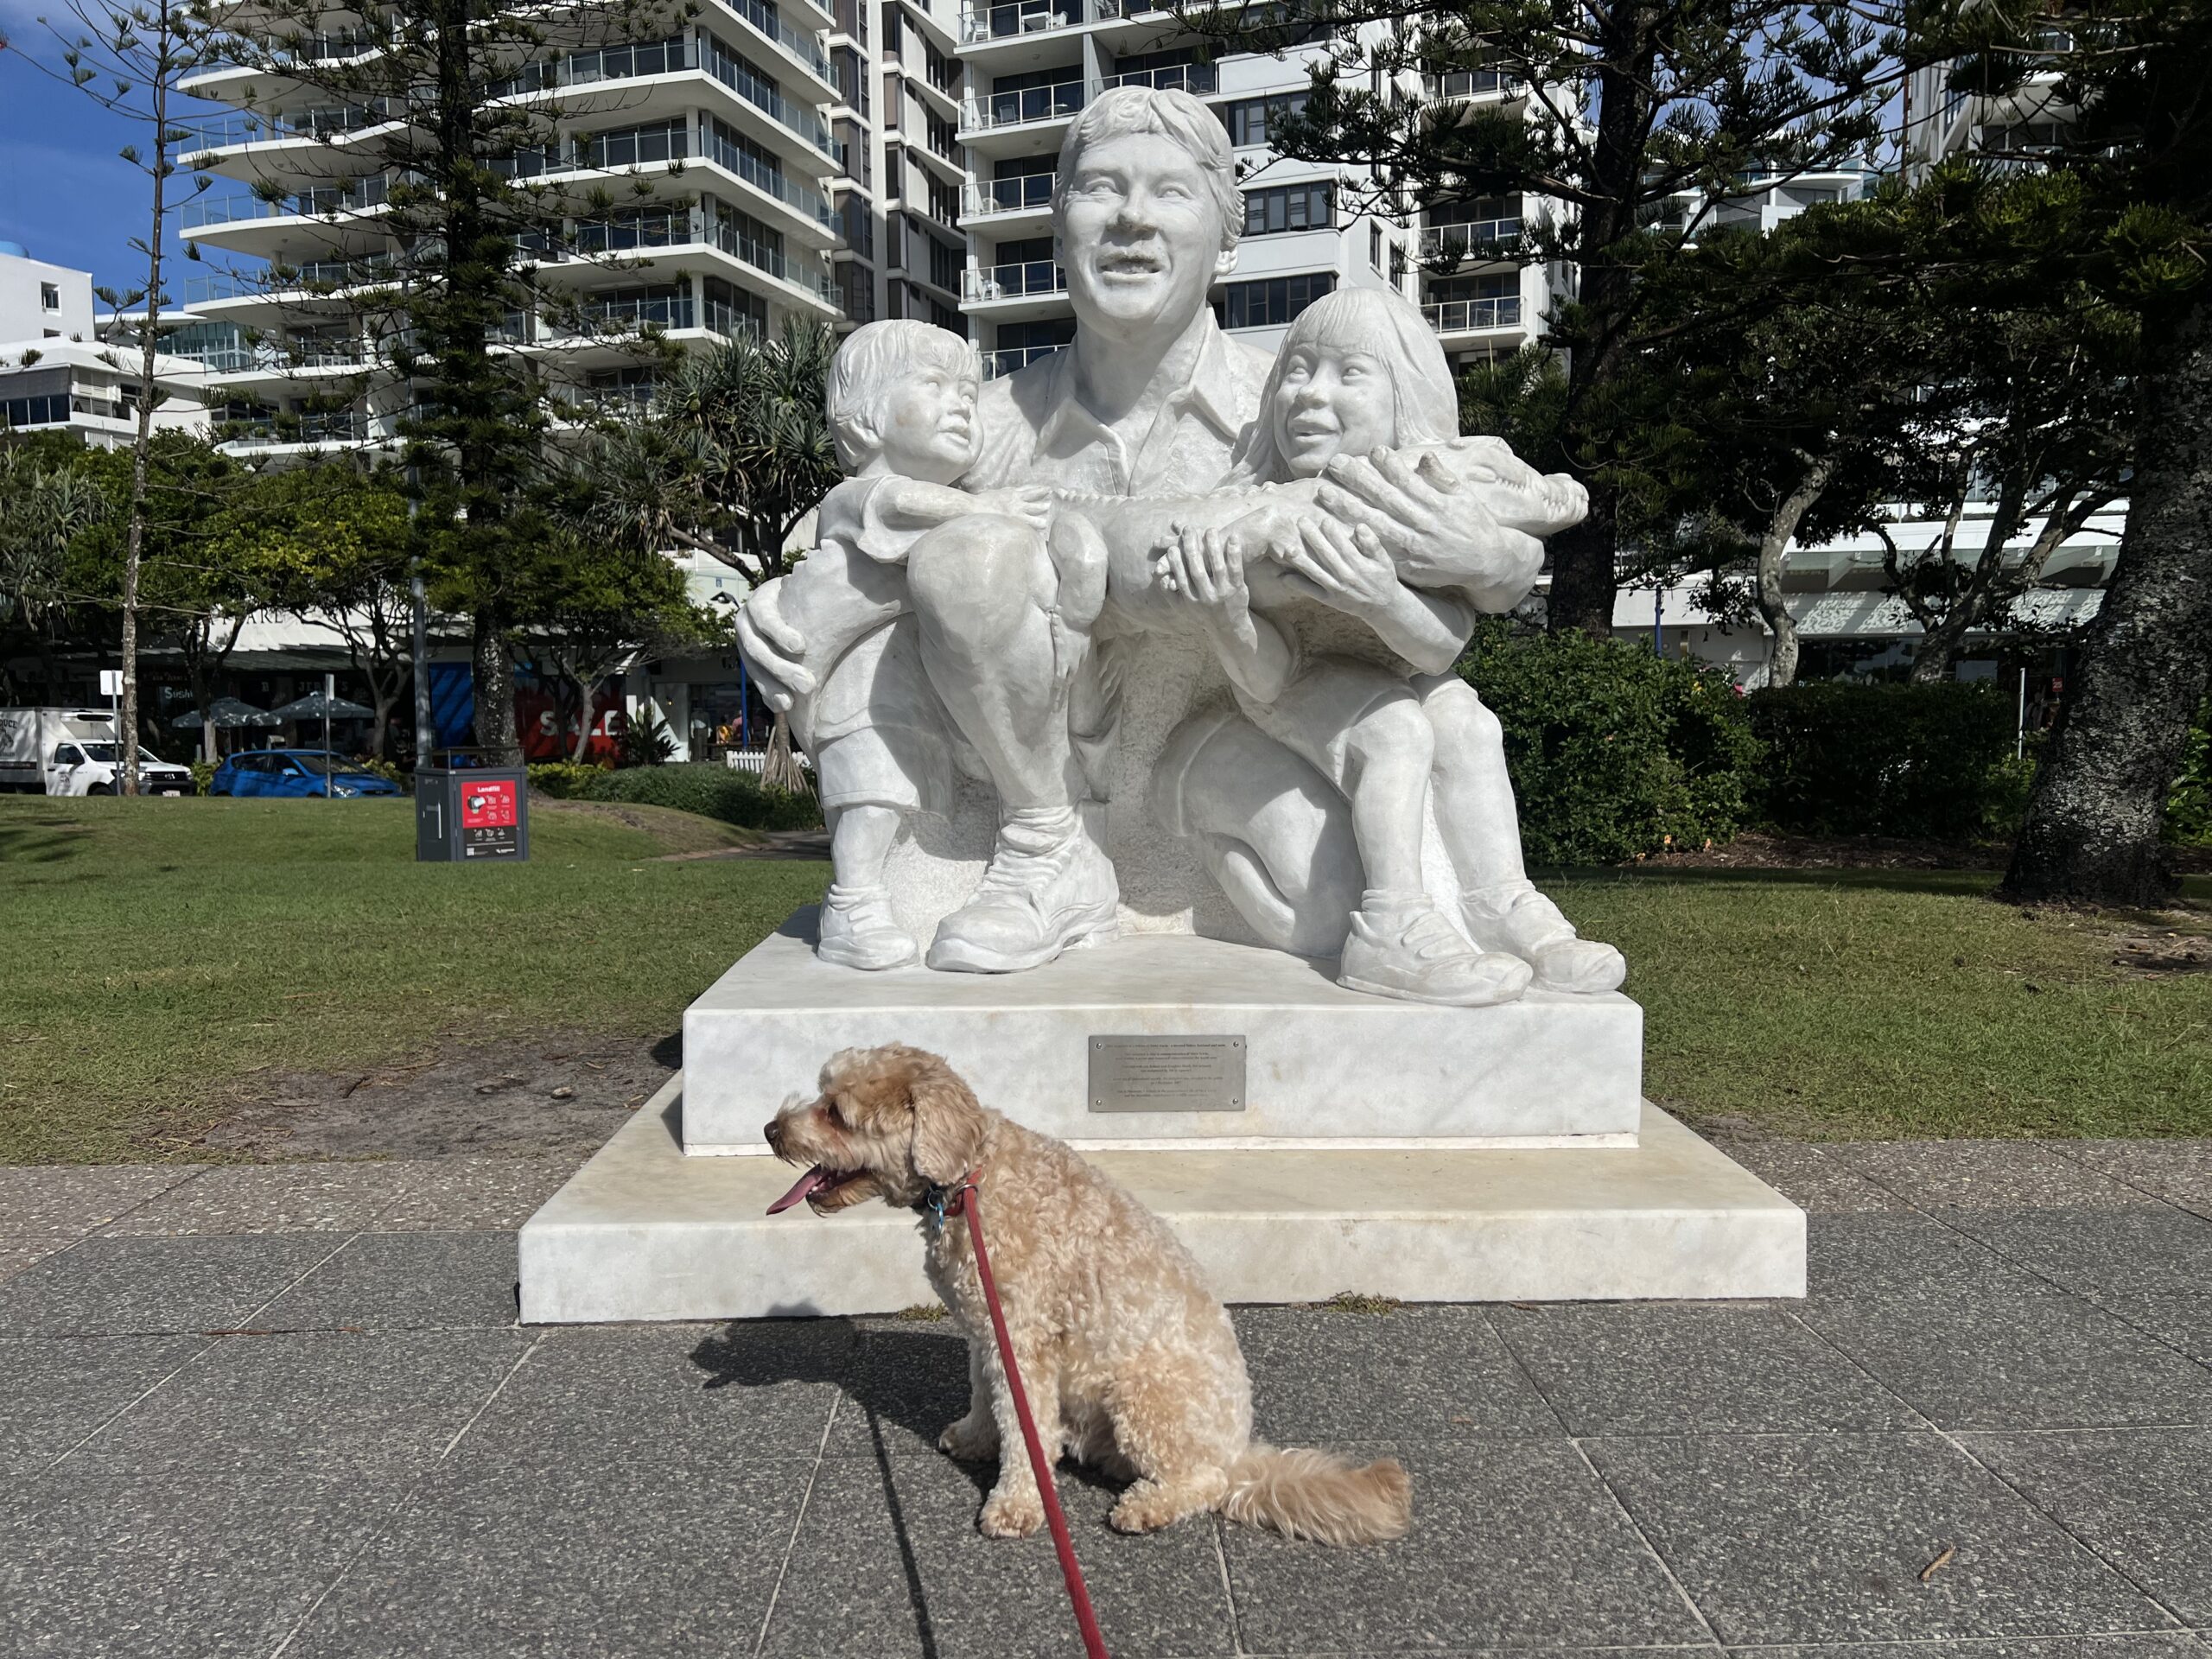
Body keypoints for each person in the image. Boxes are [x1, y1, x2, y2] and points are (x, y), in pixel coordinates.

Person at [738, 87, 1551, 975]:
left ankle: (1483, 911)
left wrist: (1502, 558)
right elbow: (868, 530)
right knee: (970, 554)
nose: (1131, 219)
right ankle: (1048, 855)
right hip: (1020, 792)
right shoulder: (978, 427)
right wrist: (781, 613)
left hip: (1218, 747)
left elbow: (1439, 494)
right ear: (1058, 231)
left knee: (1314, 914)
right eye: (1099, 190)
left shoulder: (1289, 411)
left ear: (1226, 237)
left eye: (1169, 192)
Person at [1163, 288, 1625, 995]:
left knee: (1464, 720)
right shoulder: (1254, 510)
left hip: (1373, 678)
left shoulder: (1417, 507)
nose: (1311, 396)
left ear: (1404, 398)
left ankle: (1500, 902)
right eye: (1297, 369)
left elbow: (1440, 648)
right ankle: (1390, 925)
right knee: (1396, 729)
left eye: (1350, 375)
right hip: (1275, 687)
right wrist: (1224, 611)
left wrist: (1380, 596)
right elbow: (1264, 679)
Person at [758, 320, 1048, 969]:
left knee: (903, 783)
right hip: (858, 685)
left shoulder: (940, 500)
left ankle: (873, 894)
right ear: (864, 419)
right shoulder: (857, 495)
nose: (961, 406)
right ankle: (853, 901)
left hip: (906, 681)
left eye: (969, 396)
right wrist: (991, 509)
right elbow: (905, 509)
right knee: (872, 790)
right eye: (936, 386)